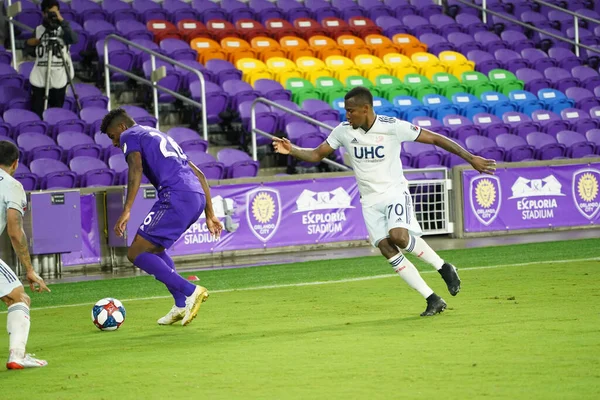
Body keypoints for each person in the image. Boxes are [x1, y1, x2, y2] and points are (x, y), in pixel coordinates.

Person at [273, 87, 496, 316]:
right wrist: (292, 151)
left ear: (365, 109)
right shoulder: (343, 131)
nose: (347, 116)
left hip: (394, 192)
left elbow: (435, 139)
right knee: (386, 248)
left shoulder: (392, 126)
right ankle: (431, 298)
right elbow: (316, 155)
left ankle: (443, 267)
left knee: (399, 236)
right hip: (369, 200)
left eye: (351, 111)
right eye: (346, 111)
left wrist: (471, 158)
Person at [100, 109, 223, 326]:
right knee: (154, 249)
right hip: (195, 196)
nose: (114, 143)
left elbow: (135, 168)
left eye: (113, 136)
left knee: (135, 253)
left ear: (122, 127)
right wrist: (210, 214)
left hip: (175, 195)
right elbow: (200, 175)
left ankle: (190, 291)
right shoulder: (159, 135)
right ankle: (180, 304)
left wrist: (127, 208)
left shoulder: (131, 135)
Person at [0, 141, 51, 369]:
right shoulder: (12, 186)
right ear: (15, 163)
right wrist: (29, 269)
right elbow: (14, 229)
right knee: (18, 297)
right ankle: (17, 356)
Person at [27, 0, 78, 118]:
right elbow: (31, 52)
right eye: (50, 13)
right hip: (40, 74)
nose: (52, 16)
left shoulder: (64, 29)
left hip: (59, 74)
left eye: (55, 12)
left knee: (57, 110)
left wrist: (62, 21)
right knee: (37, 109)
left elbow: (74, 39)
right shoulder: (39, 29)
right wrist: (30, 43)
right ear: (44, 13)